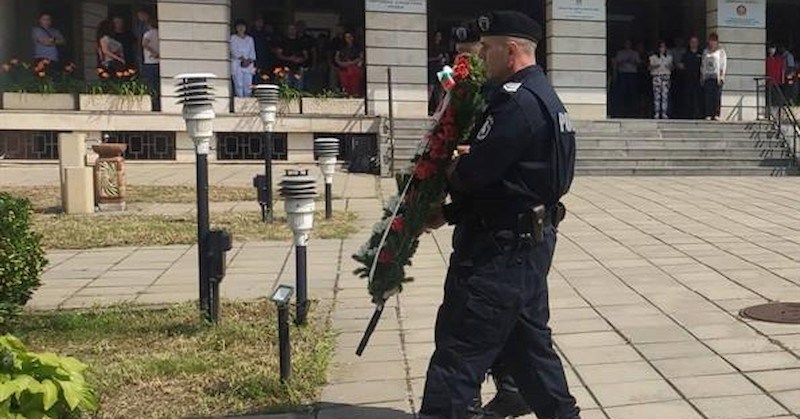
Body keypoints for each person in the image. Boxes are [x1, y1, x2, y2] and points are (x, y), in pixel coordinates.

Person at [420, 10, 580, 419]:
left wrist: (448, 168)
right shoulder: (544, 97)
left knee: (458, 353)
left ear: (510, 51)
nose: (480, 57)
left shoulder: (516, 102)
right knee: (529, 352)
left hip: (498, 253)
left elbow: (473, 174)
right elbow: (514, 179)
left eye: (487, 49)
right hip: (527, 245)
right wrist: (452, 209)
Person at [274, 24, 309, 90]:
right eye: (290, 29)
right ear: (287, 30)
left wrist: (300, 59)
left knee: (299, 88)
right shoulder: (282, 41)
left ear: (296, 30)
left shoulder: (301, 42)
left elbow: (306, 56)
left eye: (293, 29)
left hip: (298, 68)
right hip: (286, 68)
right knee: (286, 88)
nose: (292, 31)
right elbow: (278, 55)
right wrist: (289, 58)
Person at [701, 33, 727, 121]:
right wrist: (702, 76)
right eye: (711, 40)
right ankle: (708, 114)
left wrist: (722, 75)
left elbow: (723, 64)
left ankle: (716, 114)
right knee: (708, 96)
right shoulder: (705, 51)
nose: (712, 42)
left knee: (716, 96)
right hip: (708, 76)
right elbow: (703, 64)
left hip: (717, 77)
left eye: (714, 40)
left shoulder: (721, 51)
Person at [613, 40, 641, 117]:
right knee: (622, 91)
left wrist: (633, 61)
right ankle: (621, 110)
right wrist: (624, 60)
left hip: (632, 73)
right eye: (626, 44)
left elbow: (639, 63)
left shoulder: (634, 53)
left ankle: (633, 110)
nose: (627, 45)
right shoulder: (620, 53)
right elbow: (617, 62)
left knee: (632, 92)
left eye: (629, 44)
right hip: (623, 73)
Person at [680, 36, 704, 119]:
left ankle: (698, 114)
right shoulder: (686, 54)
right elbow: (681, 65)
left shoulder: (701, 54)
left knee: (698, 97)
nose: (694, 44)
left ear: (698, 43)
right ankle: (687, 115)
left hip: (698, 79)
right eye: (692, 42)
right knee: (687, 97)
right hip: (687, 79)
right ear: (689, 43)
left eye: (695, 42)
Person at [230, 19, 256, 97]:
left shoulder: (250, 39)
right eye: (239, 26)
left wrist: (248, 61)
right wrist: (243, 59)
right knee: (239, 84)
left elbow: (252, 52)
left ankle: (247, 101)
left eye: (243, 26)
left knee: (248, 85)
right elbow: (233, 50)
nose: (241, 28)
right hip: (237, 64)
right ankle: (239, 100)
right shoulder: (233, 38)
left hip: (248, 65)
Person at [335, 31, 364, 97]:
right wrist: (341, 63)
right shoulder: (340, 47)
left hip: (354, 68)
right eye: (346, 37)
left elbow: (361, 57)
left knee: (354, 84)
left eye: (350, 37)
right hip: (343, 68)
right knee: (344, 84)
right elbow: (336, 57)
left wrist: (352, 63)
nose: (348, 38)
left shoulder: (358, 47)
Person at [649, 40, 674, 119]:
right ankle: (656, 112)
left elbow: (672, 67)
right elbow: (649, 67)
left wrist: (669, 66)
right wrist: (655, 65)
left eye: (663, 47)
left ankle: (664, 112)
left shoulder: (669, 57)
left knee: (665, 95)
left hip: (666, 77)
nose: (662, 49)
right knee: (657, 96)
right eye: (660, 47)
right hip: (657, 77)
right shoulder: (653, 57)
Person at [428, 31, 449, 113]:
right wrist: (436, 58)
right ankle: (426, 107)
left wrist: (445, 58)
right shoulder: (430, 47)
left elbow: (446, 57)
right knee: (431, 88)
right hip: (433, 68)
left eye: (440, 36)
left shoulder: (442, 47)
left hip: (442, 68)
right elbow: (427, 59)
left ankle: (439, 109)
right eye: (437, 36)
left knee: (443, 89)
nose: (438, 37)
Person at [141, 20, 160, 110]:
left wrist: (153, 52)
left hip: (150, 62)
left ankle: (154, 105)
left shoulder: (148, 34)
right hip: (159, 62)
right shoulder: (160, 33)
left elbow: (144, 44)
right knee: (158, 84)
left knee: (151, 85)